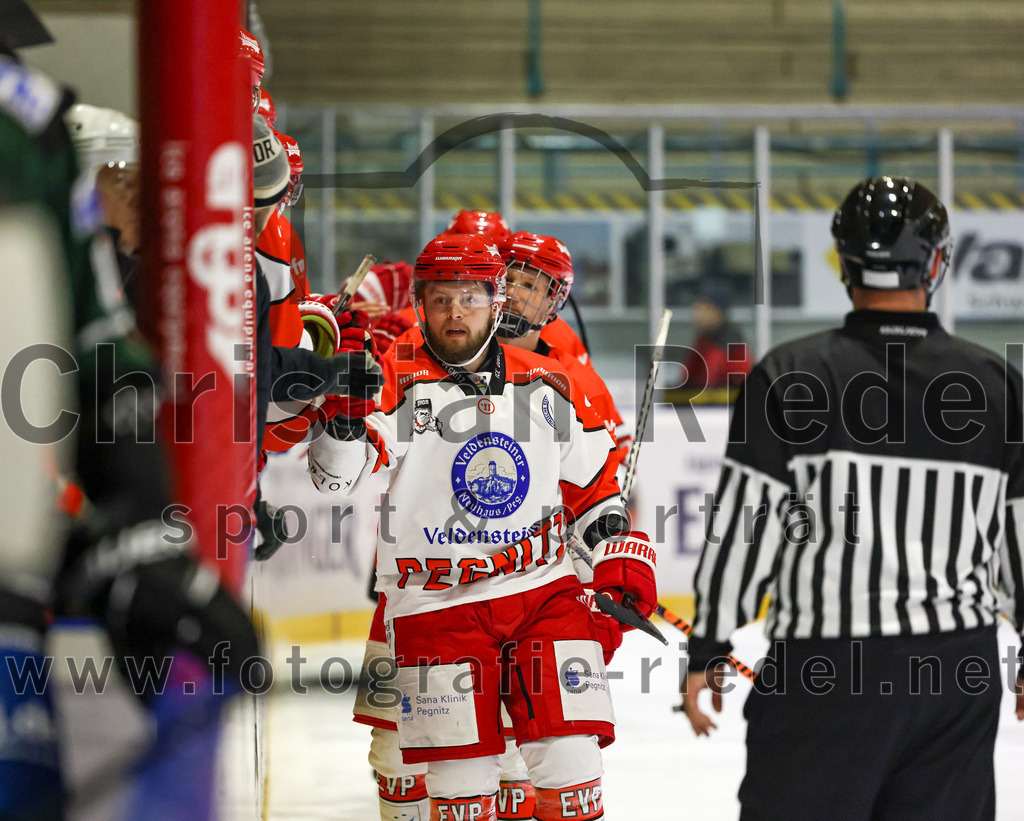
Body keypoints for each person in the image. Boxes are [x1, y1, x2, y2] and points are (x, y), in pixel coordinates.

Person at [681, 176, 1024, 821]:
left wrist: (709, 646)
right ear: (937, 261)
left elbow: (744, 527)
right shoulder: (996, 384)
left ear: (843, 262)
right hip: (955, 671)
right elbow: (1021, 535)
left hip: (825, 668)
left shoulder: (791, 373)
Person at [0, 13, 259, 819]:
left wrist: (136, 531)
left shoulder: (25, 122)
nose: (137, 193)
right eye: (122, 177)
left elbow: (100, 361)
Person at [308, 233, 658, 820]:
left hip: (541, 594)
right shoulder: (392, 376)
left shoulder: (548, 379)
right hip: (434, 606)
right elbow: (334, 480)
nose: (455, 313)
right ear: (420, 303)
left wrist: (617, 556)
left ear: (495, 302)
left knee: (572, 765)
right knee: (460, 784)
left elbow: (596, 488)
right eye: (441, 298)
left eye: (469, 297)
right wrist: (340, 418)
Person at [674, 279, 751, 401]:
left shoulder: (734, 347)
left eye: (702, 309)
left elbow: (740, 388)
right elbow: (688, 381)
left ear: (717, 311)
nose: (696, 316)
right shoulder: (703, 341)